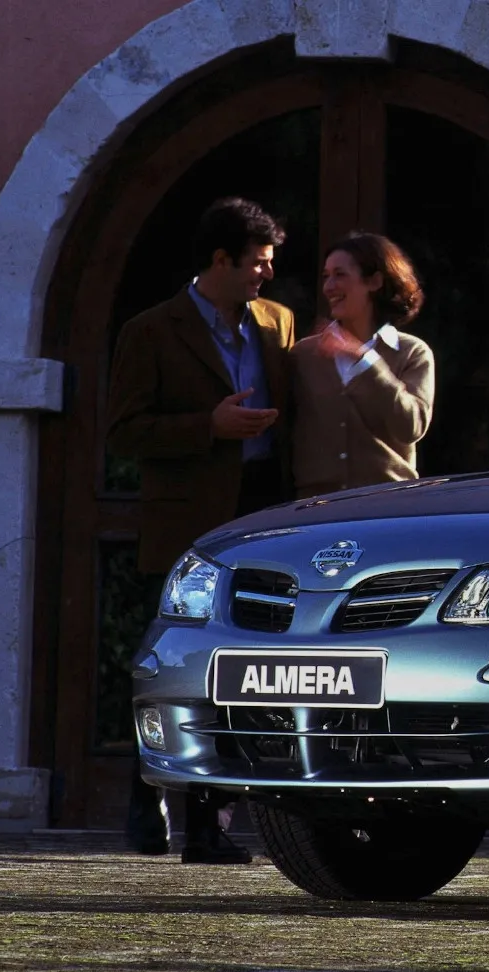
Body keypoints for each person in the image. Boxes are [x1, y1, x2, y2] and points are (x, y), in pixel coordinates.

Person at [107, 196, 295, 864]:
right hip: (187, 527)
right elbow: (124, 431)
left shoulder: (278, 324)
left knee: (244, 675)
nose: (266, 277)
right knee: (180, 667)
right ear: (221, 260)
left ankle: (211, 829)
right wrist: (205, 428)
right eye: (258, 264)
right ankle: (146, 792)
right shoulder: (151, 331)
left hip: (262, 522)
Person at [291, 233, 434, 497]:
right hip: (316, 510)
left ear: (375, 281)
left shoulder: (412, 352)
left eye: (340, 275)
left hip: (386, 507)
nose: (328, 287)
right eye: (326, 276)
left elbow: (410, 427)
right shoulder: (303, 355)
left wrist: (366, 360)